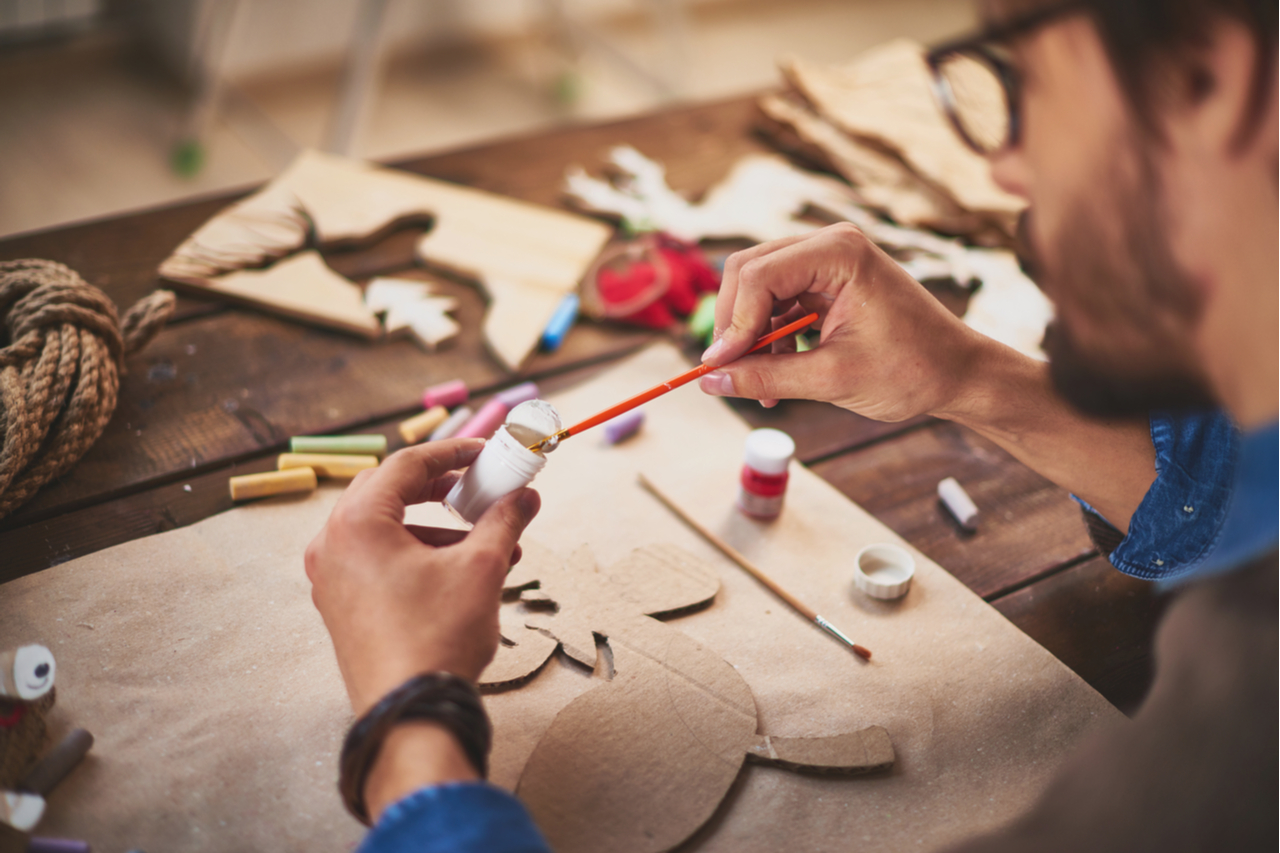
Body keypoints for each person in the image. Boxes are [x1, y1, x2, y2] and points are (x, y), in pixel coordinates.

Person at [303, 0, 1277, 850]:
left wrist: (407, 719)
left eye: (1019, 87)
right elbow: (1235, 491)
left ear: (1207, 76)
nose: (1005, 169)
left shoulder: (1238, 736)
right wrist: (964, 374)